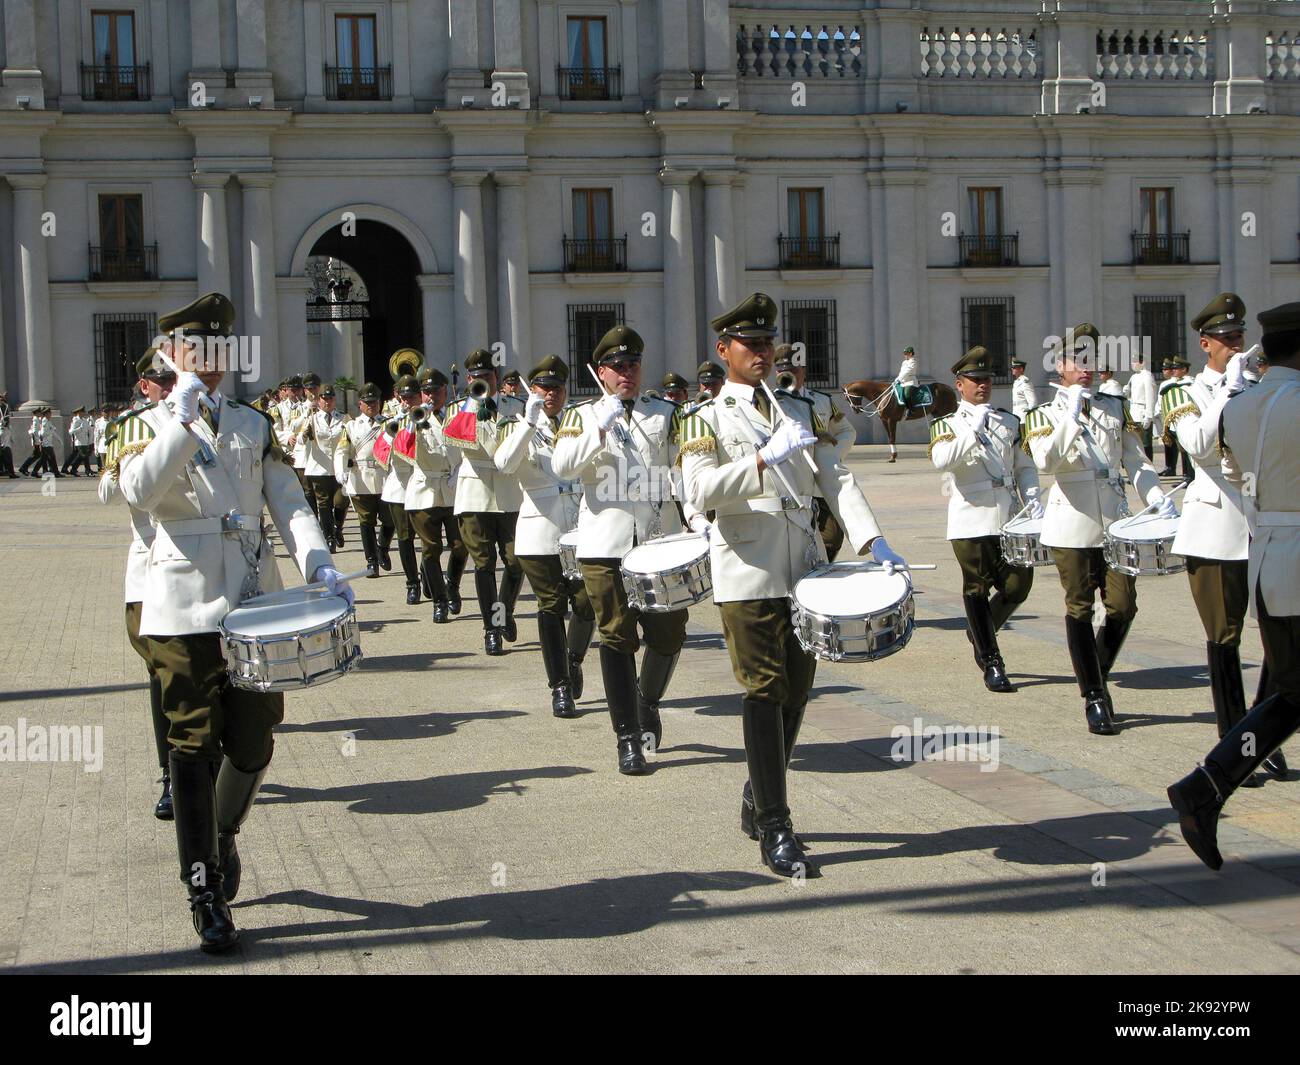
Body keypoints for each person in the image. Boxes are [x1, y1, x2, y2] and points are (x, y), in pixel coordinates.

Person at [114, 292, 347, 953]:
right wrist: (180, 426)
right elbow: (139, 492)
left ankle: (223, 831)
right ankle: (203, 888)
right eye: (196, 350)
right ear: (171, 354)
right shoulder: (146, 423)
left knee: (253, 741)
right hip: (177, 607)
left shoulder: (252, 420)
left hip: (251, 606)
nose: (209, 362)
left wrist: (319, 561)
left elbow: (289, 500)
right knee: (191, 747)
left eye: (218, 349)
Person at [679, 292, 897, 877]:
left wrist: (874, 541)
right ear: (724, 351)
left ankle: (758, 790)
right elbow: (697, 492)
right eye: (749, 344)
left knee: (798, 692)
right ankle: (777, 823)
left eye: (767, 342)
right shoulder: (704, 417)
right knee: (764, 689)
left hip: (804, 568)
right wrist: (759, 462)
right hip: (746, 570)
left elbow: (837, 477)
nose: (761, 352)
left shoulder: (800, 409)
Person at [1167, 300, 1300, 870]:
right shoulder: (1242, 399)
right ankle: (1208, 781)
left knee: (1292, 690)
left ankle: (1210, 782)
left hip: (1271, 552)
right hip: (1275, 543)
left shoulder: (1245, 407)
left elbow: (1234, 470)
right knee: (1283, 685)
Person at [553, 325, 706, 773]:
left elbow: (684, 468)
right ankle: (626, 738)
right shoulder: (581, 416)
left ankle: (647, 701)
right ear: (600, 372)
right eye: (617, 367)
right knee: (618, 638)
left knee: (669, 634)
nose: (627, 373)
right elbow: (563, 466)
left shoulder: (665, 412)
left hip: (661, 544)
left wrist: (696, 517)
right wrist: (598, 429)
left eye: (633, 365)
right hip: (606, 546)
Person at [1024, 323, 1171, 735]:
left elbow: (1136, 460)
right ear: (1060, 366)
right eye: (1076, 361)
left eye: (1091, 360)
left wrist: (1155, 495)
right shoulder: (1043, 414)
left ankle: (1096, 673)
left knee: (1123, 606)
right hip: (1072, 522)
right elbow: (1046, 463)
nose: (1085, 368)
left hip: (1114, 521)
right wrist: (1070, 415)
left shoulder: (1114, 406)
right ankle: (1094, 696)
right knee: (1080, 607)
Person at [928, 346, 1041, 692]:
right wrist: (971, 430)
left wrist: (1033, 498)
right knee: (976, 589)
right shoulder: (946, 424)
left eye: (987, 380)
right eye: (975, 380)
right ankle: (992, 661)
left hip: (1008, 516)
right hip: (970, 518)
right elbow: (942, 461)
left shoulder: (1009, 421)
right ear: (959, 385)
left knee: (1018, 585)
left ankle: (979, 629)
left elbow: (1024, 465)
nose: (983, 386)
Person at [98, 349, 177, 819]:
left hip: (203, 565)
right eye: (159, 381)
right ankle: (170, 775)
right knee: (161, 675)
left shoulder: (204, 422)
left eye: (173, 379)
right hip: (150, 568)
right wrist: (136, 459)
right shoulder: (129, 429)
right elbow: (108, 492)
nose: (168, 388)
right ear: (144, 385)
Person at [494, 355, 596, 716]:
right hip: (539, 530)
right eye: (543, 388)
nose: (550, 394)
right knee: (551, 605)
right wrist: (528, 422)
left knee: (587, 603)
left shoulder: (579, 422)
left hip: (581, 528)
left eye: (557, 388)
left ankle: (573, 658)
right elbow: (505, 464)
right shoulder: (515, 425)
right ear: (532, 391)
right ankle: (560, 686)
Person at [442, 349, 525, 655]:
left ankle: (505, 611)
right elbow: (451, 454)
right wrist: (469, 411)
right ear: (468, 379)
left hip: (508, 491)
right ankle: (491, 628)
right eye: (476, 378)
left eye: (487, 376)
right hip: (474, 491)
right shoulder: (457, 412)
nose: (483, 381)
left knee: (516, 560)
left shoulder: (515, 407)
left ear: (497, 377)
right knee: (484, 562)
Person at [773, 343, 855, 560]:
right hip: (790, 486)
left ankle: (821, 568)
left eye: (793, 370)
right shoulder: (769, 402)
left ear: (804, 372)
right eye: (782, 371)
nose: (787, 374)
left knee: (832, 537)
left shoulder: (821, 400)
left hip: (821, 484)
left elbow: (847, 431)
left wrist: (830, 456)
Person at [404, 368, 461, 623]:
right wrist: (415, 422)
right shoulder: (411, 417)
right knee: (431, 549)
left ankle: (453, 586)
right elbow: (400, 447)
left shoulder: (456, 414)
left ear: (445, 391)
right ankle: (439, 602)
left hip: (452, 488)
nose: (430, 396)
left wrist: (459, 472)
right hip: (424, 489)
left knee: (460, 546)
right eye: (426, 392)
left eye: (435, 391)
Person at [334, 382, 392, 578]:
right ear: (360, 404)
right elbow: (342, 449)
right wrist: (340, 469)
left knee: (389, 520)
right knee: (366, 522)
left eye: (374, 402)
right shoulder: (350, 426)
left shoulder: (388, 423)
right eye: (367, 402)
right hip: (361, 479)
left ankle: (382, 547)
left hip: (385, 478)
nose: (371, 406)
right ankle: (371, 562)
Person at [379, 373, 425, 603]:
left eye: (412, 397)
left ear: (420, 396)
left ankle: (429, 574)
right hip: (399, 487)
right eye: (404, 398)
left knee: (429, 538)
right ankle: (412, 584)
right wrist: (392, 428)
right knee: (405, 538)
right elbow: (380, 454)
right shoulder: (390, 420)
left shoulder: (430, 416)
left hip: (425, 484)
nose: (407, 402)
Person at [303, 385, 347, 550]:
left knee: (341, 502)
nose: (327, 402)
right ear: (319, 400)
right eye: (324, 399)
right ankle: (328, 538)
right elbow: (300, 438)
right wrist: (305, 432)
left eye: (330, 398)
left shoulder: (344, 418)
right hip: (319, 468)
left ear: (334, 400)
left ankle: (338, 528)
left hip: (339, 468)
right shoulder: (312, 418)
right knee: (324, 504)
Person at [1157, 357, 1193, 478]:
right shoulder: (1172, 384)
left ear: (1184, 369)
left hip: (1188, 419)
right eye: (1172, 368)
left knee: (1187, 447)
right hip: (1174, 421)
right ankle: (1185, 474)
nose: (1173, 371)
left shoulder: (1191, 383)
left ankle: (1188, 474)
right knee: (1180, 447)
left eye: (1176, 368)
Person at [1123, 354, 1158, 460]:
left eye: (1135, 361)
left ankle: (1149, 466)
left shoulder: (1147, 375)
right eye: (1132, 362)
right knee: (1135, 443)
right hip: (1133, 413)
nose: (1132, 364)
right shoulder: (1133, 377)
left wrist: (1149, 415)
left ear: (1142, 362)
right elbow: (1128, 394)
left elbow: (1150, 396)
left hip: (1143, 412)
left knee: (1145, 444)